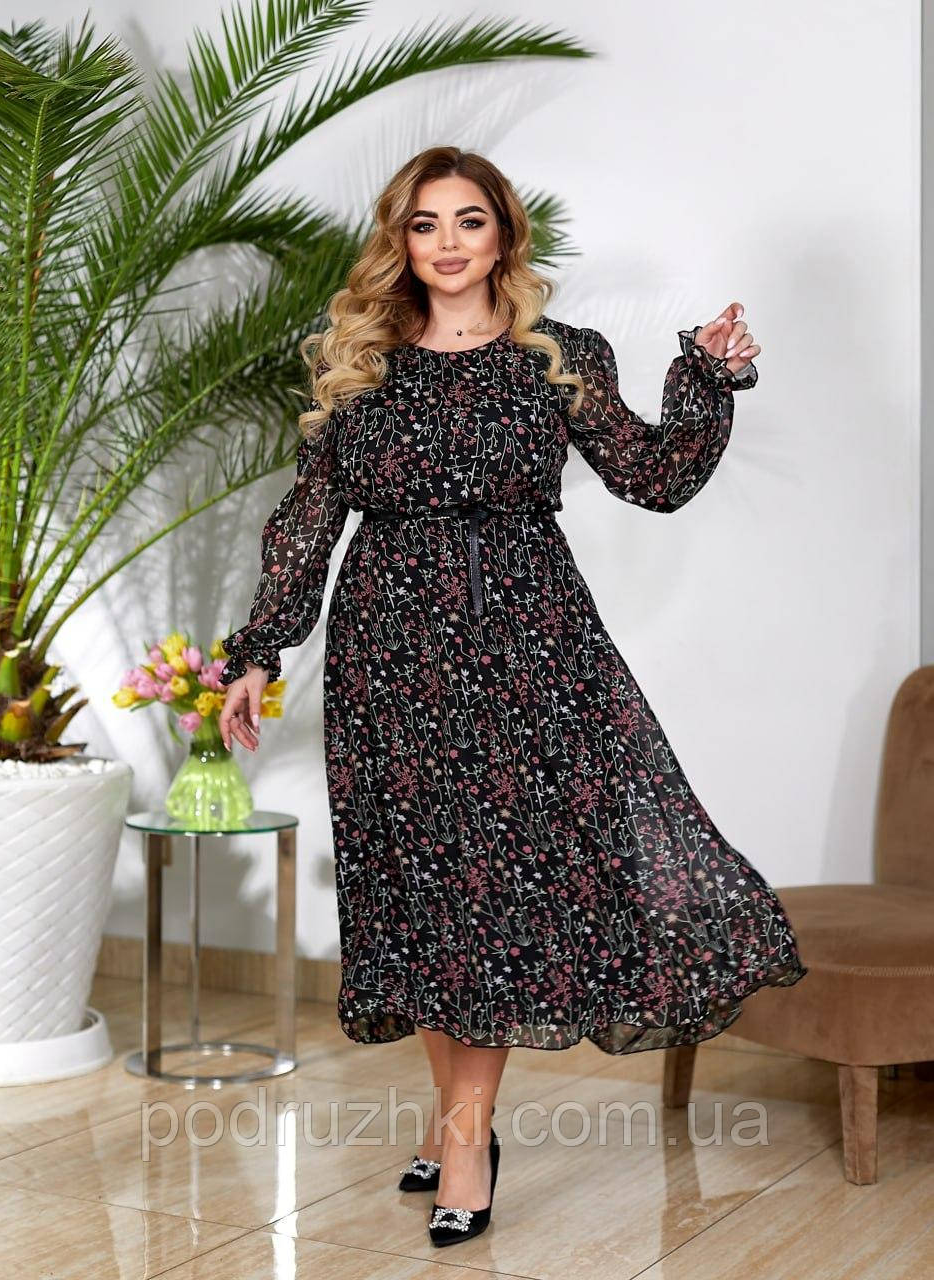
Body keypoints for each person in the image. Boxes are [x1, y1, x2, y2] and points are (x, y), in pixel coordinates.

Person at [217, 145, 807, 1248]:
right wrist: (258, 649)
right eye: (424, 224)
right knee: (419, 887)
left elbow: (653, 476)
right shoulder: (359, 362)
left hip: (525, 644)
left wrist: (704, 379)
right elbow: (309, 518)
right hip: (388, 653)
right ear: (399, 242)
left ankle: (467, 1142)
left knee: (488, 890)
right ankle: (455, 1121)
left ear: (503, 235)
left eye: (468, 221)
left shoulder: (558, 355)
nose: (446, 244)